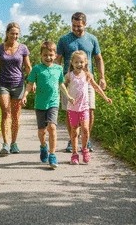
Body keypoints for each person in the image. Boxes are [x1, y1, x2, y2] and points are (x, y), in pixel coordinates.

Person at [56, 12, 107, 153]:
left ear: (85, 24)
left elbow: (98, 59)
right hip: (70, 81)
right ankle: (72, 140)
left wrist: (102, 77)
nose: (75, 28)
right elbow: (57, 60)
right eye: (73, 25)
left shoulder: (92, 39)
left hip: (87, 81)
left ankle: (86, 139)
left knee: (90, 111)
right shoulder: (64, 40)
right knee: (69, 112)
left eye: (78, 26)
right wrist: (56, 78)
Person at [21, 41, 74, 169]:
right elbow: (29, 84)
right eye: (45, 55)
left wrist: (67, 96)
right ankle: (43, 146)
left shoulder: (58, 69)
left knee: (52, 127)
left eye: (50, 55)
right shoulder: (37, 69)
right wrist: (25, 95)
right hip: (40, 103)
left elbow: (61, 84)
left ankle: (52, 155)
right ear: (41, 55)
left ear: (55, 55)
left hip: (53, 102)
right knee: (41, 131)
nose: (48, 57)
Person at [0, 22, 32, 155]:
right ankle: (5, 144)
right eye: (12, 33)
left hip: (18, 84)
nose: (14, 36)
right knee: (5, 112)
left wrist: (33, 82)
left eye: (17, 34)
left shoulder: (23, 48)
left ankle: (14, 143)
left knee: (16, 116)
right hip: (2, 84)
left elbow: (28, 67)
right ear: (7, 33)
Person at [64, 51, 112, 165]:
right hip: (72, 108)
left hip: (84, 107)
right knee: (74, 131)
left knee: (85, 129)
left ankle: (85, 150)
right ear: (72, 63)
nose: (79, 64)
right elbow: (62, 86)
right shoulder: (69, 75)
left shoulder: (87, 75)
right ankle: (74, 154)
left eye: (81, 62)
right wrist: (66, 96)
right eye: (76, 62)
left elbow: (96, 87)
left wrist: (105, 97)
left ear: (86, 62)